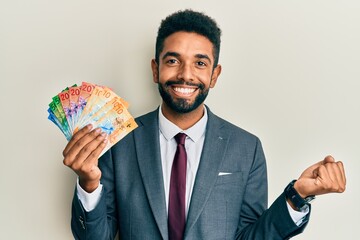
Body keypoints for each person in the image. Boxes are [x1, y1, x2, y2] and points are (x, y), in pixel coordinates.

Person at [63, 9, 346, 240]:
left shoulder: (246, 148)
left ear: (214, 75)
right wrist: (89, 183)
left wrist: (298, 196)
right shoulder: (119, 141)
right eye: (173, 60)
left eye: (200, 64)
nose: (185, 75)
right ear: (155, 69)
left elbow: (251, 237)